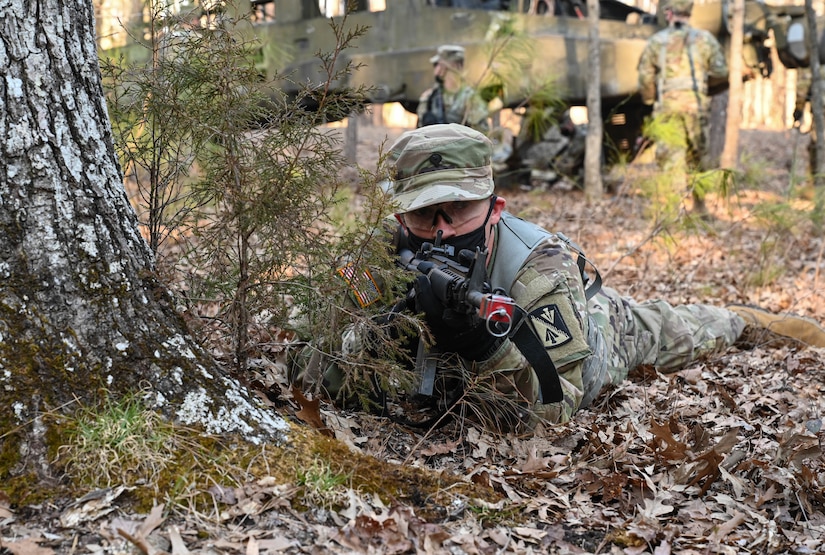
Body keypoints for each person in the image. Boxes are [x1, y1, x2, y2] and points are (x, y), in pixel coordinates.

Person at [293, 124, 825, 434]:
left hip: (589, 336)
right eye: (423, 215)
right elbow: (299, 353)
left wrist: (482, 347)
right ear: (396, 216)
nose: (441, 230)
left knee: (666, 327)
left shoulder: (539, 267)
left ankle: (746, 319)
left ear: (496, 208)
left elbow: (556, 407)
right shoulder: (373, 257)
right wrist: (378, 342)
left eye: (458, 212)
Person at [636, 0, 728, 213]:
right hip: (696, 107)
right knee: (698, 158)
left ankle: (671, 213)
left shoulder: (657, 41)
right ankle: (700, 208)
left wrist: (651, 101)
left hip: (668, 110)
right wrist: (703, 85)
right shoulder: (705, 40)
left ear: (669, 13)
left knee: (671, 160)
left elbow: (645, 79)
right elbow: (721, 72)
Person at [416, 45, 491, 132]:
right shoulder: (430, 98)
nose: (436, 70)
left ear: (451, 66)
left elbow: (482, 134)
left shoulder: (471, 98)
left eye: (438, 64)